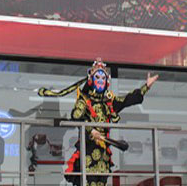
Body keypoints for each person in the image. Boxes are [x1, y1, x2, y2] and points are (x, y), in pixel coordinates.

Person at [38, 58, 159, 186]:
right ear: (91, 80)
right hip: (88, 152)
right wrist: (91, 130)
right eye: (97, 77)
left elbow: (128, 100)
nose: (100, 80)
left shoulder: (108, 102)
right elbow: (76, 116)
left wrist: (146, 87)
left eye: (103, 78)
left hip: (103, 154)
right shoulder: (85, 99)